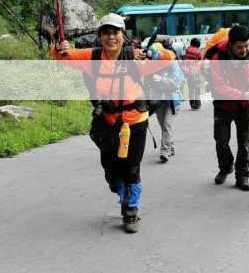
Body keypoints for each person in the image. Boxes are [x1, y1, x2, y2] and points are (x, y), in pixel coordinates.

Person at [50, 13, 172, 233]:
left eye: (115, 32)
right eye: (106, 33)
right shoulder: (92, 58)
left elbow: (168, 59)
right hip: (107, 122)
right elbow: (62, 57)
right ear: (99, 36)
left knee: (132, 169)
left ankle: (130, 211)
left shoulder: (136, 57)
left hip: (136, 121)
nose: (110, 37)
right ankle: (120, 189)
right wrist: (59, 47)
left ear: (122, 36)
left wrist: (155, 51)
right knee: (112, 172)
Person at [209, 25, 249, 191]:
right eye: (240, 47)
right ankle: (225, 167)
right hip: (223, 105)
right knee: (221, 141)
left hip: (246, 107)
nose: (244, 50)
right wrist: (242, 93)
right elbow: (218, 87)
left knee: (245, 143)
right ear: (231, 44)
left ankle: (243, 175)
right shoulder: (218, 58)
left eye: (247, 45)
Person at [148, 42, 185, 163]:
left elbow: (178, 83)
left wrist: (162, 80)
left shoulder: (172, 63)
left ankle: (164, 151)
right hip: (159, 101)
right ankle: (171, 146)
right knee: (163, 125)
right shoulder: (151, 66)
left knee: (167, 125)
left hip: (173, 100)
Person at [183, 37, 203, 110]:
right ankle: (197, 104)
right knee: (197, 88)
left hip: (188, 73)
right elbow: (201, 61)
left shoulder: (186, 51)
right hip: (196, 72)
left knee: (190, 89)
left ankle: (192, 103)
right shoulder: (198, 52)